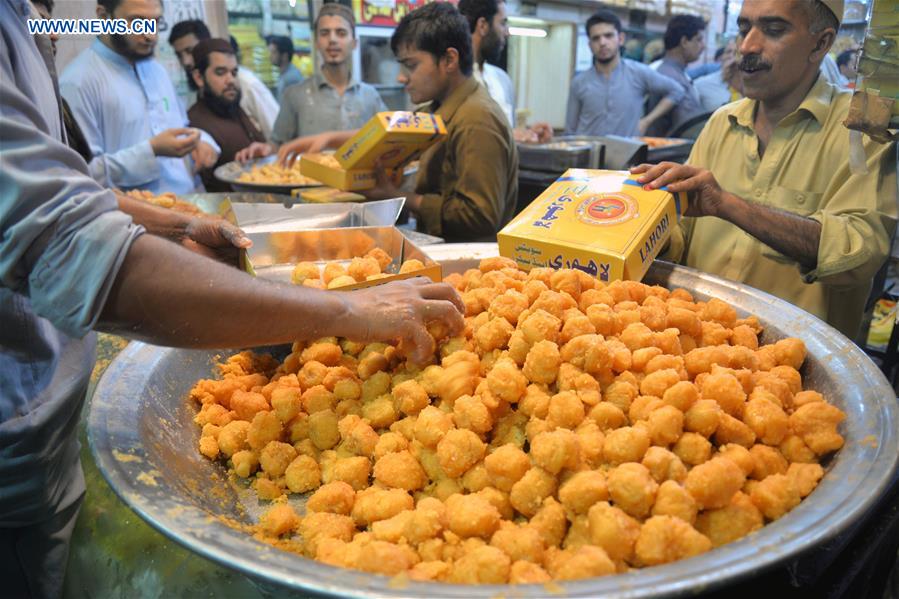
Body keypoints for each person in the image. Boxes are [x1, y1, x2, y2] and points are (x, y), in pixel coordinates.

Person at [0, 2, 465, 597]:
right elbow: (73, 247)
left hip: (43, 419)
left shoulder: (32, 24)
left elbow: (66, 186)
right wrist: (352, 312)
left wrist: (173, 228)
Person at [632, 0, 897, 340]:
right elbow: (681, 236)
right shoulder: (721, 123)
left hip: (795, 366)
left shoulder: (861, 131)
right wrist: (644, 222)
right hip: (695, 348)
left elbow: (859, 253)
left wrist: (730, 206)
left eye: (773, 30)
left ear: (821, 43)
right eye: (744, 29)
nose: (747, 46)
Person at [60, 0, 220, 194]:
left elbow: (180, 128)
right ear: (103, 17)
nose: (150, 35)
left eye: (156, 22)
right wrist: (151, 151)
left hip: (192, 203)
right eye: (137, 22)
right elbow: (81, 173)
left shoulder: (157, 70)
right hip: (135, 218)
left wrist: (202, 142)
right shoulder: (77, 82)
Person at [238, 3, 386, 163]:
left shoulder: (370, 96)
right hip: (308, 184)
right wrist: (265, 150)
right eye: (325, 33)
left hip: (359, 186)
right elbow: (278, 145)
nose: (332, 40)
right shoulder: (295, 95)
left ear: (354, 43)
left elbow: (386, 139)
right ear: (316, 42)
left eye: (341, 33)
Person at [565, 10, 684, 137]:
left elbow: (677, 91)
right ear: (589, 45)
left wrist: (646, 121)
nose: (602, 43)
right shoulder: (579, 82)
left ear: (620, 39)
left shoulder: (638, 73)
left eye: (608, 35)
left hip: (627, 153)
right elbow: (570, 131)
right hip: (589, 154)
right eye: (596, 38)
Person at [457, 0, 552, 143]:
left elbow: (510, 136)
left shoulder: (502, 80)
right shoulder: (454, 79)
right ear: (482, 25)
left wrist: (528, 135)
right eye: (502, 23)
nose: (507, 32)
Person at [169, 19, 280, 140]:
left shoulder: (246, 83)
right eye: (179, 55)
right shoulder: (193, 95)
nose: (186, 62)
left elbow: (279, 135)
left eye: (190, 51)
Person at [187, 39, 266, 192]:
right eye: (220, 72)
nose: (230, 80)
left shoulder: (234, 109)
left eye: (234, 72)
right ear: (199, 77)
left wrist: (266, 150)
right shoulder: (195, 124)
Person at [646, 14, 707, 136]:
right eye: (699, 40)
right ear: (684, 41)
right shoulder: (669, 76)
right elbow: (689, 125)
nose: (703, 46)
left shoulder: (676, 73)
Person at [694, 39, 743, 112]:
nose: (731, 56)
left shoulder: (753, 87)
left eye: (737, 53)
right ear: (722, 57)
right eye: (728, 52)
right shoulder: (700, 84)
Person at [267, 34, 304, 102]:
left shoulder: (290, 79)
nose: (270, 56)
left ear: (285, 56)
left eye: (274, 52)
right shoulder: (285, 74)